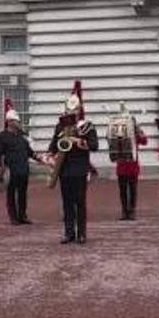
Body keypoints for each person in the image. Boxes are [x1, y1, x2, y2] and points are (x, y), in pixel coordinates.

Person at [48, 80, 99, 244]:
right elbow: (53, 146)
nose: (71, 113)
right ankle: (69, 232)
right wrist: (49, 157)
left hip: (79, 169)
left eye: (74, 110)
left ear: (79, 111)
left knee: (80, 202)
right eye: (68, 110)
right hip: (64, 170)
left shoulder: (87, 127)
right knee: (67, 203)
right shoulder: (59, 127)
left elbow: (94, 146)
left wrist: (77, 141)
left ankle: (82, 233)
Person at [0, 99, 34, 224]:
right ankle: (13, 216)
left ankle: (22, 215)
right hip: (10, 169)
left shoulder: (22, 136)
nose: (18, 123)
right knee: (11, 194)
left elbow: (29, 152)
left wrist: (42, 159)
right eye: (16, 121)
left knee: (23, 194)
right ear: (10, 122)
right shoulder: (2, 136)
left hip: (23, 168)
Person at [113, 102, 148, 221]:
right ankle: (124, 210)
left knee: (132, 189)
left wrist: (138, 130)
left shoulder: (134, 132)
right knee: (122, 189)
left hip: (132, 164)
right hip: (122, 164)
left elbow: (144, 141)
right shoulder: (118, 132)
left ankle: (132, 210)